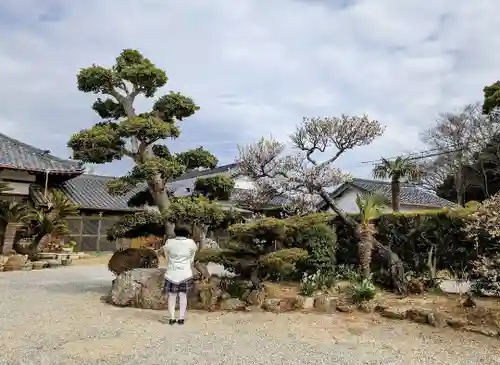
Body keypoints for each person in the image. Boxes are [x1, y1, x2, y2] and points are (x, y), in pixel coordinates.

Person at [162, 225, 198, 325]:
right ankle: (181, 318)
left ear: (175, 232)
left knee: (172, 296)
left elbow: (167, 257)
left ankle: (172, 318)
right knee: (183, 296)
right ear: (187, 234)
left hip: (171, 273)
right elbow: (192, 259)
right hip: (185, 273)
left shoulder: (169, 242)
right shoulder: (191, 243)